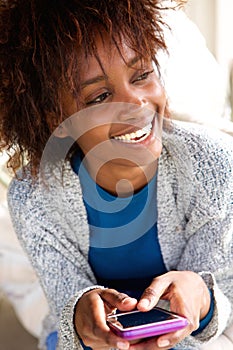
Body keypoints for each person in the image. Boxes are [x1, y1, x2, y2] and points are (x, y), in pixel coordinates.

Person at [0, 1, 232, 350]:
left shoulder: (212, 165)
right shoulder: (33, 197)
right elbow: (66, 308)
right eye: (100, 97)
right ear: (55, 120)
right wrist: (80, 316)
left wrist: (202, 298)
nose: (136, 104)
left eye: (142, 75)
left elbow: (222, 297)